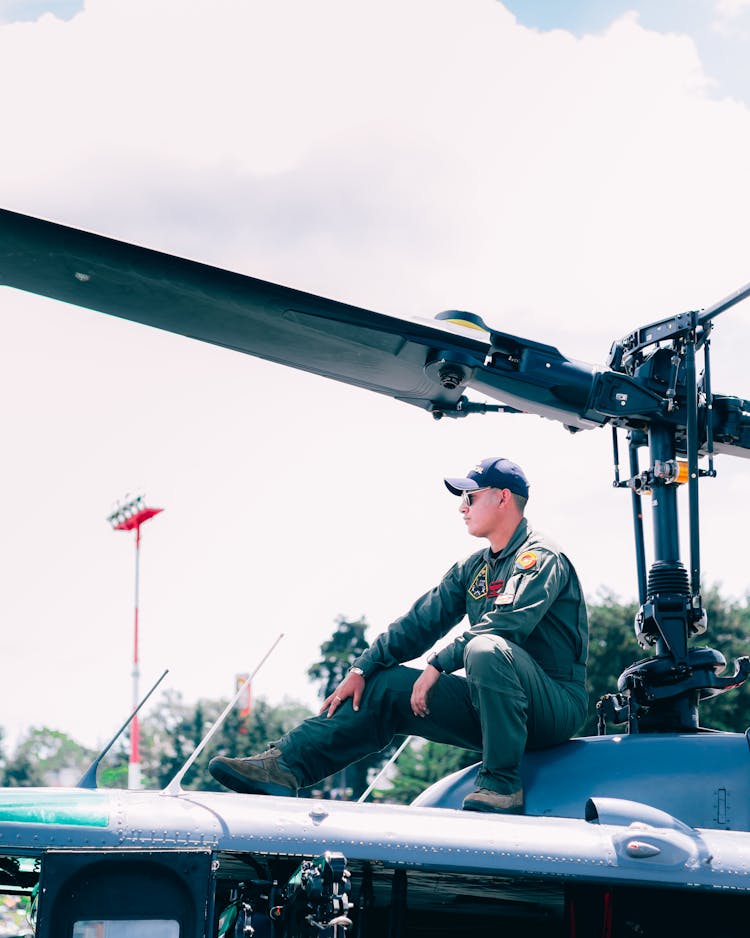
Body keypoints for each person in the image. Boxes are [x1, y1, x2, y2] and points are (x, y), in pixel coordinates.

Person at [209, 457, 589, 814]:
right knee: (384, 685)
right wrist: (361, 669)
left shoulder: (540, 557)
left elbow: (506, 626)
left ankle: (501, 786)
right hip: (492, 703)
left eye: (470, 497)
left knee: (486, 648)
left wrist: (437, 665)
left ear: (502, 498)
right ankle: (286, 766)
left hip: (551, 708)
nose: (462, 507)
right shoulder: (474, 568)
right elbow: (418, 624)